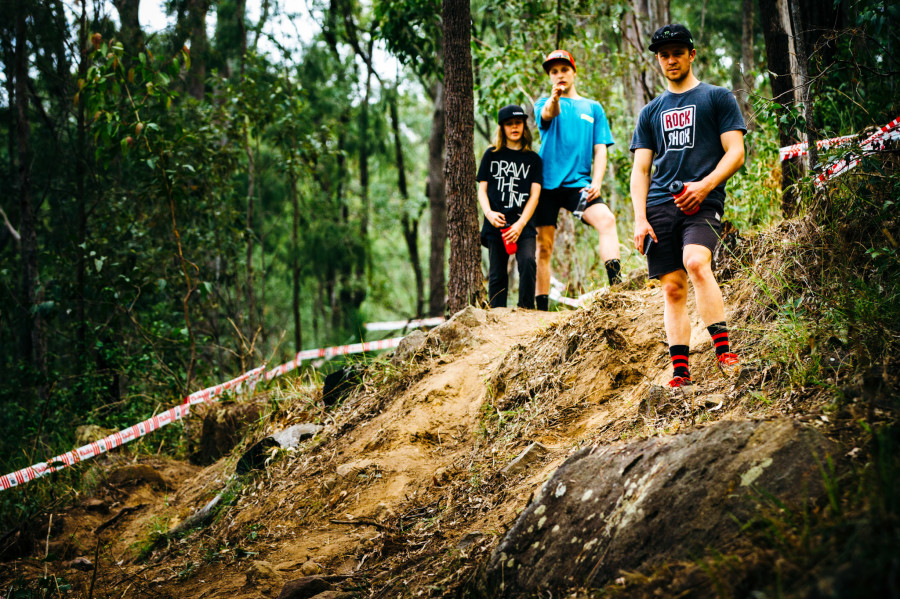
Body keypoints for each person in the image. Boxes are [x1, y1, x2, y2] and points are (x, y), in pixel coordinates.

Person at [629, 24, 746, 390]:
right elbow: (641, 169)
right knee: (672, 289)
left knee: (696, 262)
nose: (670, 60)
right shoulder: (650, 112)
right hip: (660, 205)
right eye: (664, 55)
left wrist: (705, 185)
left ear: (691, 54)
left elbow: (736, 152)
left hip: (703, 200)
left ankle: (724, 352)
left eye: (677, 52)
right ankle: (680, 372)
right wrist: (639, 219)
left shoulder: (717, 98)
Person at [533, 49, 621, 311]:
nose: (559, 75)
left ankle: (616, 288)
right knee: (544, 246)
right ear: (550, 76)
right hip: (546, 185)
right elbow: (550, 114)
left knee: (606, 220)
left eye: (564, 70)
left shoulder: (593, 107)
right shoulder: (543, 103)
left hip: (578, 185)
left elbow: (600, 148)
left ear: (573, 72)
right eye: (554, 72)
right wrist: (554, 97)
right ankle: (540, 309)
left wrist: (597, 181)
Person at [476, 104, 543, 309]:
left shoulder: (533, 160)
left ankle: (526, 312)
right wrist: (488, 214)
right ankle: (497, 316)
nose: (514, 127)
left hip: (522, 225)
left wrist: (521, 224)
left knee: (528, 263)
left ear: (524, 126)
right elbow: (482, 190)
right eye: (509, 124)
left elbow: (535, 195)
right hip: (496, 224)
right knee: (497, 273)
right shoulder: (491, 155)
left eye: (518, 123)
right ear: (502, 128)